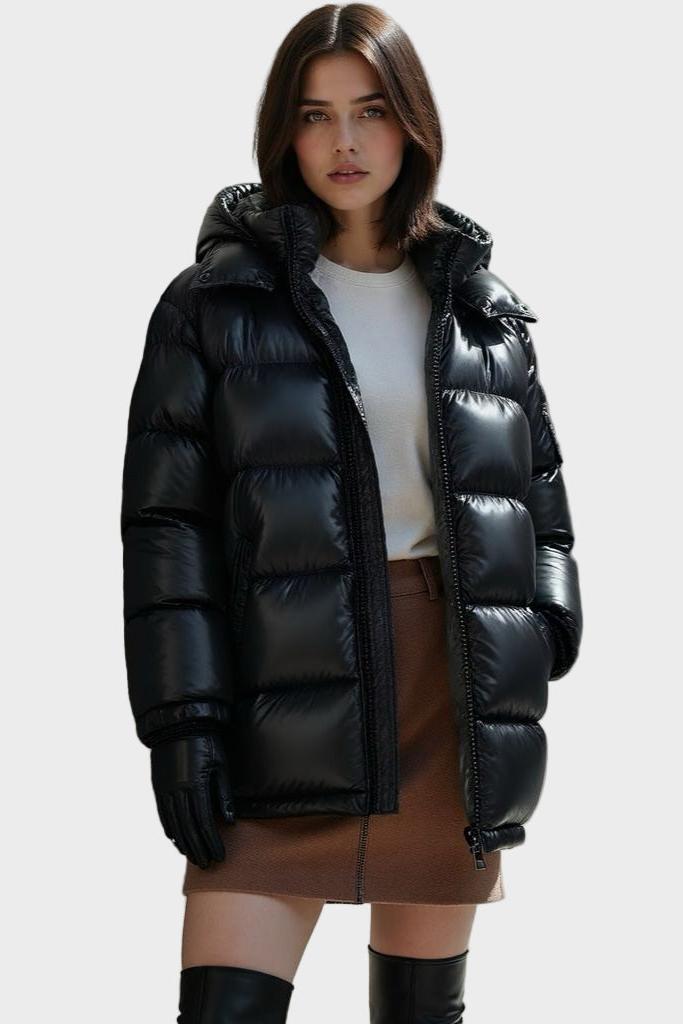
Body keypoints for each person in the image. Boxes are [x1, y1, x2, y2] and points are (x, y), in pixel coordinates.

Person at [120, 5, 583, 1022]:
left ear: (411, 124)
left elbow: (539, 495)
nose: (343, 141)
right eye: (314, 114)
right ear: (281, 133)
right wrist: (183, 724)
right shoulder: (213, 304)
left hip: (446, 696)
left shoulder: (481, 312)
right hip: (280, 701)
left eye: (369, 111)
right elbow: (167, 530)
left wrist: (543, 627)